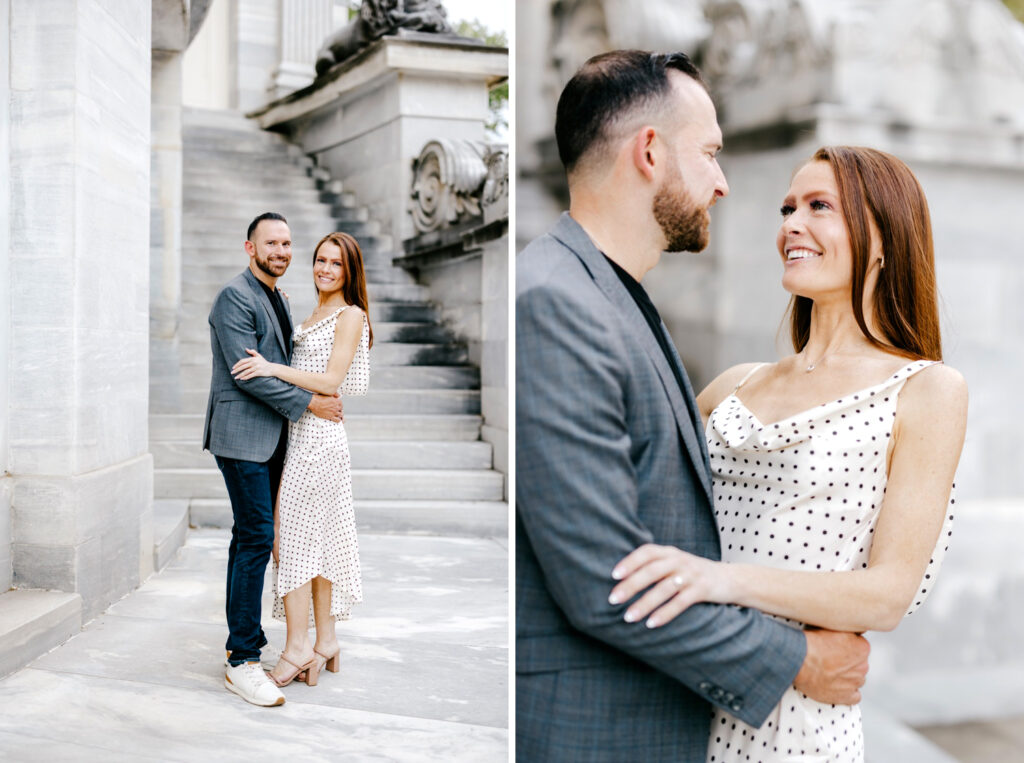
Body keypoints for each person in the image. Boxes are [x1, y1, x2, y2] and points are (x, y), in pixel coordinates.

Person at [516, 50, 870, 762]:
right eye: (709, 153)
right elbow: (604, 580)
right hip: (589, 732)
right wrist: (797, 657)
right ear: (650, 152)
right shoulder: (557, 302)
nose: (723, 183)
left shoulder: (609, 295)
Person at [609, 146, 967, 762]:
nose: (790, 224)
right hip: (677, 698)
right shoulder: (733, 384)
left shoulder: (927, 391)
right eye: (787, 207)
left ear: (883, 239)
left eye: (818, 206)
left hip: (793, 727)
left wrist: (718, 580)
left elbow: (886, 594)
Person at [205, 212, 344, 707]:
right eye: (272, 243)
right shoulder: (234, 297)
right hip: (241, 438)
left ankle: (256, 647)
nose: (282, 251)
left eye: (287, 243)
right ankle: (242, 659)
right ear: (250, 248)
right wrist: (311, 403)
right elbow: (250, 374)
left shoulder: (280, 299)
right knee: (258, 537)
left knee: (252, 536)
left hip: (276, 440)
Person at [231, 231, 371, 689]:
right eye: (321, 260)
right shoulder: (310, 313)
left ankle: (295, 650)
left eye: (337, 264)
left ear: (350, 272)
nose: (326, 269)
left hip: (320, 441)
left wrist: (272, 368)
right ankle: (325, 642)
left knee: (291, 542)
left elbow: (331, 379)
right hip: (300, 436)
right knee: (314, 543)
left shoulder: (350, 315)